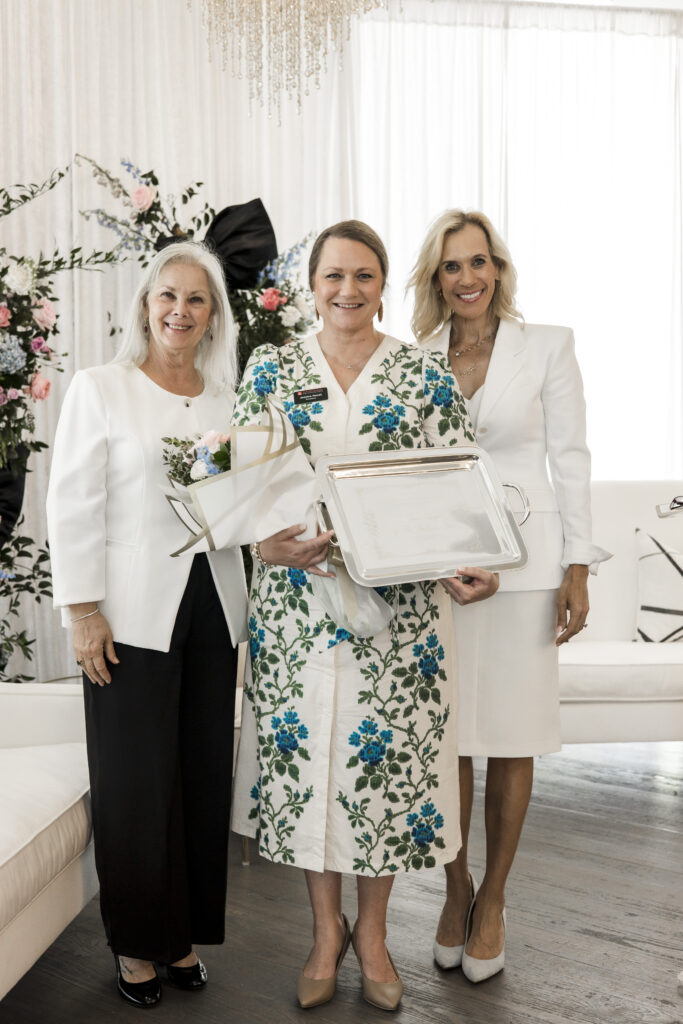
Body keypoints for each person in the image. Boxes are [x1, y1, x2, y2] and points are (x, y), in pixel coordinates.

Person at [230, 220, 499, 1012]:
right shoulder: (272, 366)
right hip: (296, 610)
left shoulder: (422, 375)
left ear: (384, 285)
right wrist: (264, 547)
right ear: (309, 286)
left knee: (379, 776)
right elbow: (244, 484)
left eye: (364, 276)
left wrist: (469, 568)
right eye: (332, 276)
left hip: (400, 614)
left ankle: (374, 935)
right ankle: (325, 933)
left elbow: (458, 490)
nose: (347, 290)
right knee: (313, 769)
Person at [408, 210, 610, 982]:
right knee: (450, 740)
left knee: (512, 736)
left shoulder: (547, 345)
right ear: (436, 279)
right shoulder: (416, 357)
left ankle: (494, 899)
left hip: (527, 566)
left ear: (499, 269)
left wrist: (578, 567)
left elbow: (570, 456)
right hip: (444, 569)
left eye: (480, 262)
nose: (468, 278)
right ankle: (454, 889)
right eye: (453, 266)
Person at [46, 241, 248, 1008]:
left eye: (197, 300)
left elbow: (244, 507)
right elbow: (72, 504)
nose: (179, 311)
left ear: (213, 316)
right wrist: (82, 608)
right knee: (135, 784)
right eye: (168, 295)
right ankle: (136, 941)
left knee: (200, 776)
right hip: (126, 613)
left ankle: (184, 934)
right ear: (144, 305)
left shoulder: (230, 400)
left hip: (213, 605)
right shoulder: (101, 388)